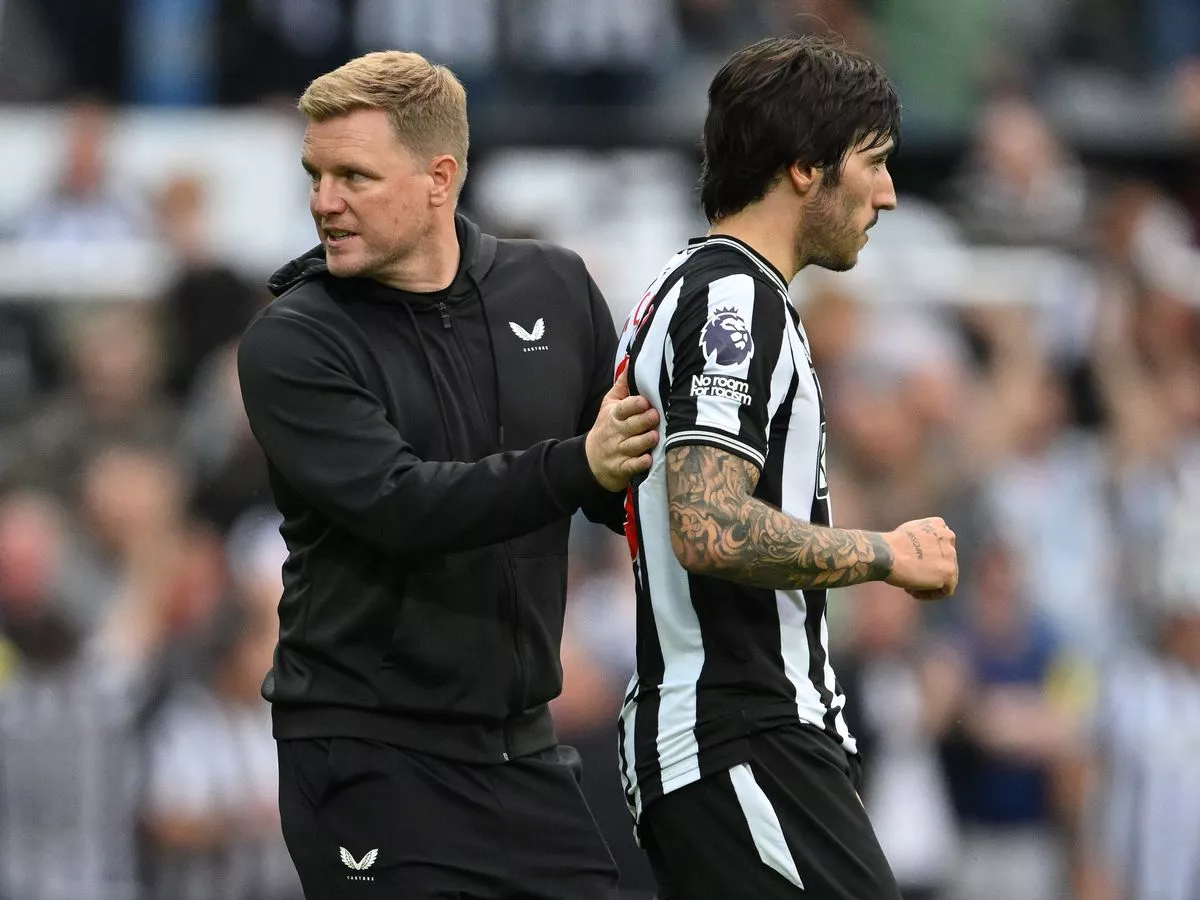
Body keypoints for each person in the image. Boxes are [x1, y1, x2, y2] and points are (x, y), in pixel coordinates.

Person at [236, 50, 660, 899]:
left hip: (526, 752)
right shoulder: (294, 340)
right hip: (369, 755)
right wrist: (579, 465)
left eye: (354, 175)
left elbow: (624, 489)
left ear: (440, 178)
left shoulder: (556, 284)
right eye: (315, 174)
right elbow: (405, 506)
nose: (325, 200)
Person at [613, 35, 960, 900]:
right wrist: (886, 554)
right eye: (872, 163)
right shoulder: (734, 301)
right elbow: (706, 525)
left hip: (739, 739)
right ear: (805, 168)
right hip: (740, 734)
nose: (886, 194)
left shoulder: (688, 290)